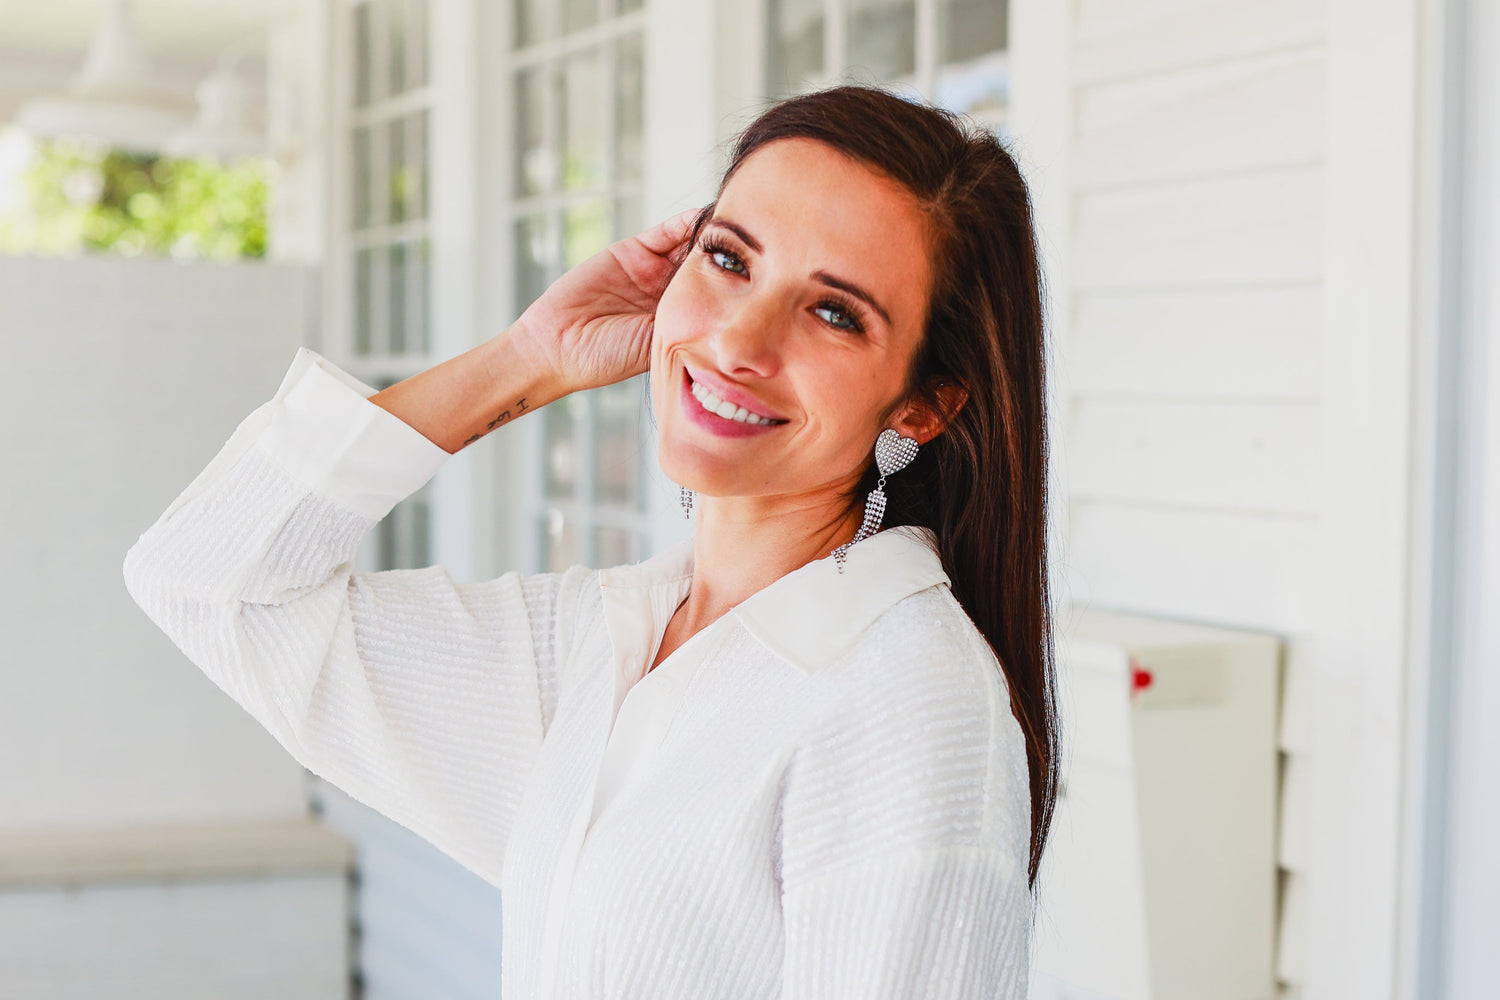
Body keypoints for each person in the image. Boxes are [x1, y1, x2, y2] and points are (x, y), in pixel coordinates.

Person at [123, 84, 1057, 999]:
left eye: (834, 312)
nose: (739, 340)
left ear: (926, 402)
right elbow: (211, 584)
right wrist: (527, 355)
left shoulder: (910, 704)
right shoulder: (601, 648)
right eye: (729, 259)